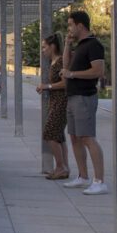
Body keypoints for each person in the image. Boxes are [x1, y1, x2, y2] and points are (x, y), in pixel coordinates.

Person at [60, 11, 108, 195]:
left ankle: (100, 181)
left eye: (71, 25)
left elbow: (98, 71)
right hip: (72, 96)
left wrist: (72, 75)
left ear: (80, 25)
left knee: (87, 137)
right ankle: (83, 176)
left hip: (84, 97)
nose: (69, 29)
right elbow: (66, 67)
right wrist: (66, 45)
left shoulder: (93, 45)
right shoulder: (80, 45)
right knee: (74, 137)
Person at [37, 34, 69, 180]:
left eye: (44, 47)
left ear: (53, 46)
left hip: (61, 102)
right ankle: (63, 167)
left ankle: (61, 167)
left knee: (49, 133)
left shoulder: (61, 61)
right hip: (55, 101)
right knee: (59, 136)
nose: (42, 50)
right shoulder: (53, 61)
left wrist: (47, 86)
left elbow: (65, 83)